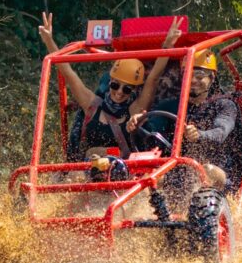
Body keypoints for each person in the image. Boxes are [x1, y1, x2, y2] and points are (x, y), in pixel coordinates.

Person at [38, 12, 183, 160]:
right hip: (88, 171)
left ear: (133, 90)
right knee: (73, 177)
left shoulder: (134, 109)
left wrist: (168, 45)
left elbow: (153, 79)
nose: (119, 92)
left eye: (126, 89)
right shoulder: (92, 105)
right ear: (110, 82)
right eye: (115, 85)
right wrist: (48, 40)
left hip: (122, 173)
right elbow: (68, 72)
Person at [127, 50, 242, 192]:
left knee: (206, 170)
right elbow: (153, 134)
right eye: (189, 75)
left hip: (223, 174)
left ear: (212, 77)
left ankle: (204, 209)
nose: (193, 80)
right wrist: (139, 124)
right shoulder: (170, 106)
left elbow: (220, 132)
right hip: (182, 174)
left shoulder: (225, 105)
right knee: (151, 177)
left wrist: (199, 135)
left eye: (199, 76)